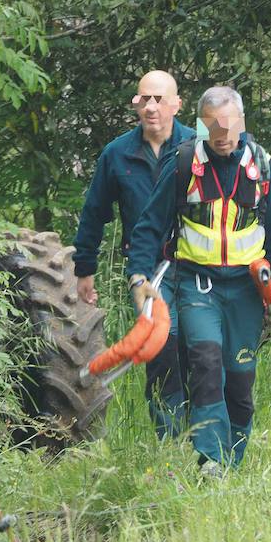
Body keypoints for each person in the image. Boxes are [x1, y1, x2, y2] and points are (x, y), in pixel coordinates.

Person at [127, 86, 271, 473]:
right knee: (205, 364)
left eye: (229, 125)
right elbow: (149, 225)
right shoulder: (184, 163)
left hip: (247, 290)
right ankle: (211, 457)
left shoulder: (263, 166)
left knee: (239, 377)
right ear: (201, 125)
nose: (222, 134)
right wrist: (139, 276)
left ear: (242, 122)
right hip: (197, 284)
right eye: (213, 126)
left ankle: (232, 457)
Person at [72, 70, 195, 439]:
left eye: (159, 99)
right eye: (144, 99)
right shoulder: (117, 153)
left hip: (197, 264)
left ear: (177, 104)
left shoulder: (198, 144)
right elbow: (94, 213)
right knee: (162, 348)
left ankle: (203, 435)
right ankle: (169, 440)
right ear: (135, 104)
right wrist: (85, 269)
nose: (151, 106)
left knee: (199, 348)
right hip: (147, 269)